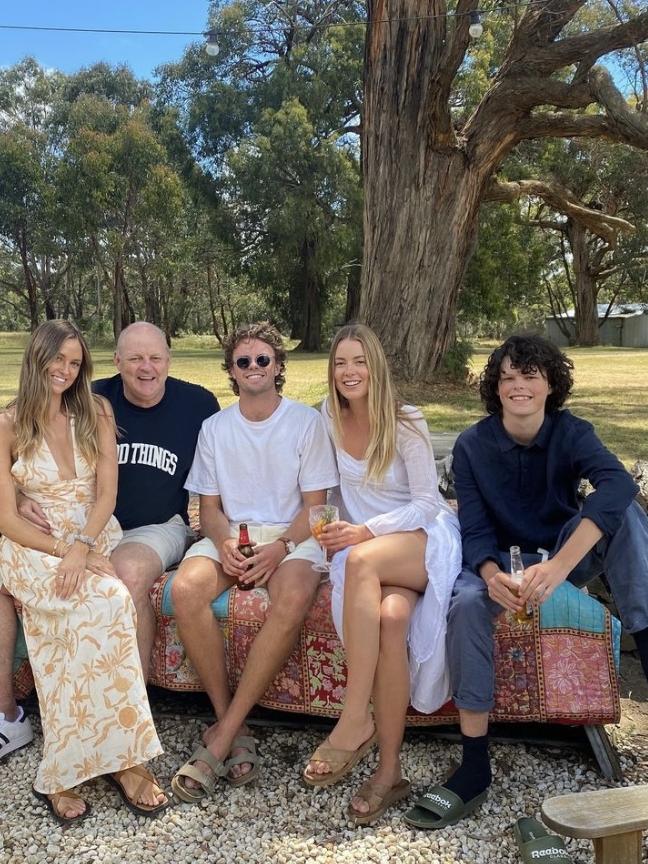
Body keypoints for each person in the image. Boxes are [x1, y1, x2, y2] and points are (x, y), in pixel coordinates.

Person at [404, 333, 648, 830]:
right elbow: (472, 529)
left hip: (561, 554)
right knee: (467, 602)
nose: (517, 386)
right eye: (507, 377)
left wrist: (557, 568)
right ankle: (475, 766)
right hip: (497, 562)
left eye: (529, 376)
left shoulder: (571, 431)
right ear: (495, 388)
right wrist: (491, 574)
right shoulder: (472, 445)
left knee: (628, 514)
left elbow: (618, 483)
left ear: (550, 384)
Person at [0, 320, 167, 824]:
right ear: (36, 359)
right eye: (57, 360)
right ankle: (65, 769)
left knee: (113, 601)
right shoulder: (8, 423)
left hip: (92, 533)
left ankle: (127, 758)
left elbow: (107, 494)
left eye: (75, 363)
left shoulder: (95, 409)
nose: (65, 371)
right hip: (30, 545)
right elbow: (6, 516)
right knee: (70, 613)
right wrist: (61, 549)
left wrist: (82, 545)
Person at [169, 321, 338, 802]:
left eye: (263, 359)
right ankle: (231, 724)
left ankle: (220, 739)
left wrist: (281, 548)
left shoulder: (306, 423)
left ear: (279, 366)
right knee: (184, 589)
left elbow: (316, 505)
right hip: (233, 535)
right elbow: (210, 510)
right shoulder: (215, 428)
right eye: (243, 361)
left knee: (296, 594)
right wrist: (223, 544)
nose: (254, 367)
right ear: (232, 372)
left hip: (292, 538)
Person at [302, 324, 462, 825]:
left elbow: (425, 503)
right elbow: (329, 493)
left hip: (420, 538)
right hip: (368, 546)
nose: (349, 373)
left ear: (376, 366)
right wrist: (328, 527)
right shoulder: (327, 418)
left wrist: (364, 532)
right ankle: (389, 773)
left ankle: (354, 719)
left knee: (362, 560)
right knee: (392, 620)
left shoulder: (406, 420)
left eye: (359, 362)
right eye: (340, 363)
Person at [17, 321, 219, 677]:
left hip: (160, 525)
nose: (147, 367)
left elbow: (224, 468)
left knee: (124, 572)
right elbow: (24, 433)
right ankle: (59, 690)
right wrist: (19, 495)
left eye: (156, 358)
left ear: (169, 361)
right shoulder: (90, 399)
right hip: (90, 525)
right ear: (117, 361)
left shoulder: (198, 404)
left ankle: (132, 698)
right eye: (136, 358)